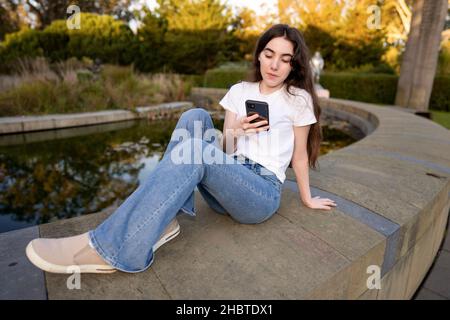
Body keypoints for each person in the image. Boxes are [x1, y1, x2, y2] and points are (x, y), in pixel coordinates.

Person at [25, 24, 337, 275]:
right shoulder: (240, 91)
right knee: (194, 117)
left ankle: (115, 250)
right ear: (259, 55)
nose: (275, 64)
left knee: (197, 150)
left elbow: (298, 156)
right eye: (270, 54)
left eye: (285, 59)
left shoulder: (298, 99)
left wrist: (307, 199)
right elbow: (226, 149)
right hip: (230, 176)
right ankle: (165, 220)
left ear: (294, 64)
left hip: (260, 193)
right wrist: (237, 130)